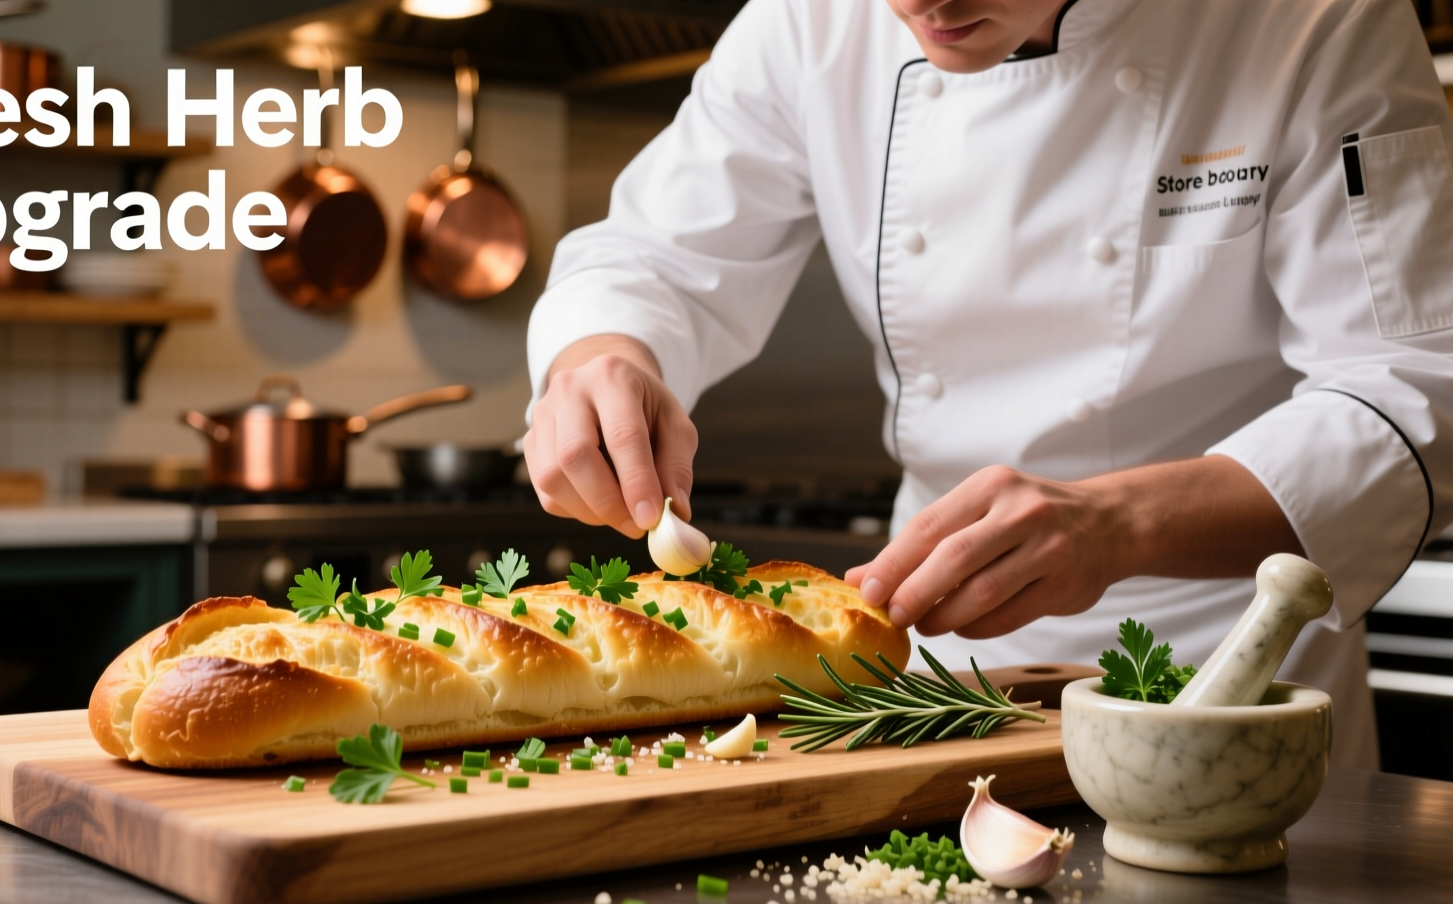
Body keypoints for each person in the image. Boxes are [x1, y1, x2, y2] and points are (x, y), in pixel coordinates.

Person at [522, 0, 1453, 769]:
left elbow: (1419, 390)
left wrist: (1118, 522)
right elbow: (656, 256)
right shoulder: (804, 24)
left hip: (1230, 675)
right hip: (927, 678)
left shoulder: (1315, 20)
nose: (927, 5)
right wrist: (602, 355)